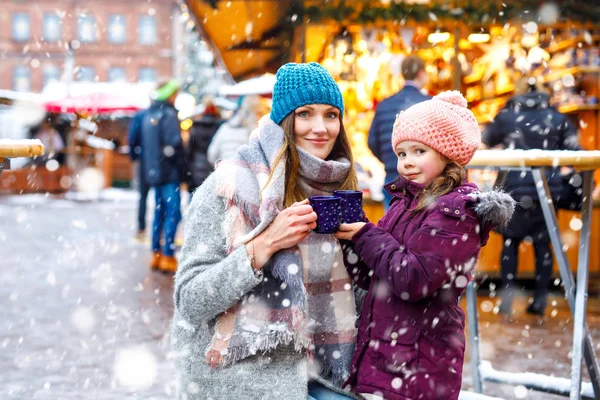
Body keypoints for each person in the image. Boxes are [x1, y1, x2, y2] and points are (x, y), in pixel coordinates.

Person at [172, 62, 362, 400]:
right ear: (283, 123)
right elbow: (190, 300)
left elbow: (356, 299)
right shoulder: (228, 188)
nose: (321, 128)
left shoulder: (337, 190)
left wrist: (375, 250)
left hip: (323, 374)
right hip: (241, 380)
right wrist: (263, 246)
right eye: (305, 114)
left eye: (331, 115)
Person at [335, 91, 515, 400]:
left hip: (418, 365)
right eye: (401, 153)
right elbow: (375, 276)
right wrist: (350, 238)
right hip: (389, 356)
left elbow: (412, 279)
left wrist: (365, 235)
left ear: (447, 155)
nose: (406, 162)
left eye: (419, 151)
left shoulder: (455, 212)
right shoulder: (405, 204)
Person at [482, 77, 581, 317]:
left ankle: (506, 300)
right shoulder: (557, 118)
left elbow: (484, 141)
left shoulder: (506, 116)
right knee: (543, 245)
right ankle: (540, 300)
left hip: (512, 190)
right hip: (546, 190)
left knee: (509, 242)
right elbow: (575, 153)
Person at [368, 54, 430, 211]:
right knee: (422, 231)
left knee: (391, 228)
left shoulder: (384, 105)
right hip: (423, 180)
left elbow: (372, 142)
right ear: (421, 73)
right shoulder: (430, 104)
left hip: (392, 177)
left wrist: (393, 159)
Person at [141, 79, 185, 273]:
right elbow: (174, 145)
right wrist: (183, 169)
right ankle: (168, 255)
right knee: (173, 214)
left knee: (159, 213)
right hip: (169, 173)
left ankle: (155, 254)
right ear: (170, 94)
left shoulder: (148, 115)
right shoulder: (168, 115)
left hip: (154, 173)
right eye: (175, 94)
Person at [207, 94, 265, 165]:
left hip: (224, 171)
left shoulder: (224, 127)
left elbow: (212, 155)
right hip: (246, 173)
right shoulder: (256, 131)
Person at [185, 100, 223, 196]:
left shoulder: (196, 127)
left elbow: (189, 151)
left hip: (197, 167)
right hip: (214, 167)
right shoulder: (220, 127)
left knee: (195, 197)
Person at [128, 108, 150, 240]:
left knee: (143, 196)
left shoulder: (140, 116)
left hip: (143, 160)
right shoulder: (165, 113)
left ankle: (141, 229)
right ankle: (160, 231)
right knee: (159, 198)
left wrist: (134, 156)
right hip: (159, 162)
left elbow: (132, 137)